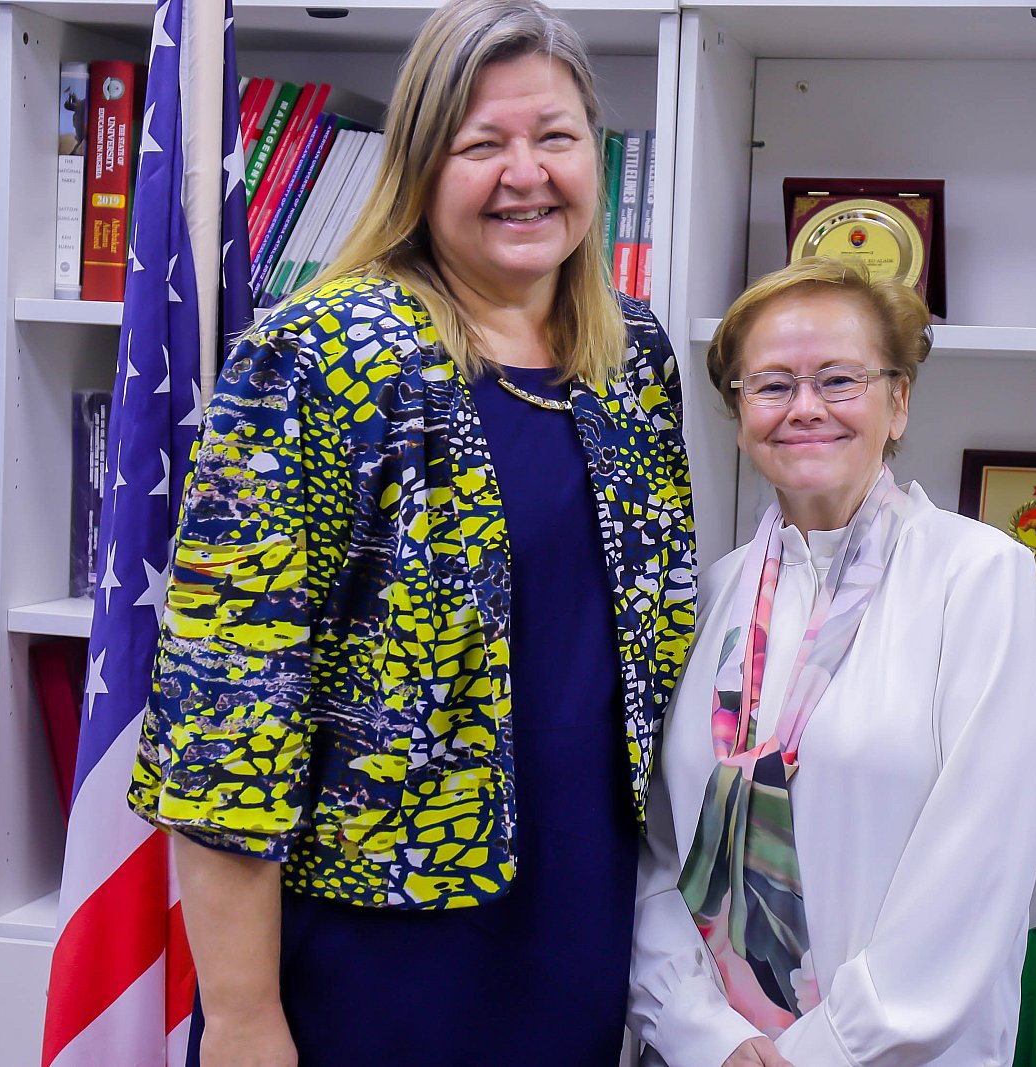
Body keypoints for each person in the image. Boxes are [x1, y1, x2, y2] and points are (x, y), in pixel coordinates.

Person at [125, 1, 693, 1063]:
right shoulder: (319, 356)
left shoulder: (633, 357)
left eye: (555, 137)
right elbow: (225, 716)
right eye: (483, 145)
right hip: (371, 950)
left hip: (579, 913)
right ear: (422, 166)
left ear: (595, 157)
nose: (526, 172)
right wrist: (245, 1017)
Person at [628, 258, 1036, 1067]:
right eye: (771, 385)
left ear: (898, 402)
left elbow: (979, 870)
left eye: (839, 379)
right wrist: (703, 1033)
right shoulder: (709, 595)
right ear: (738, 411)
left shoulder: (979, 579)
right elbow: (657, 848)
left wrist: (820, 1052)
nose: (804, 408)